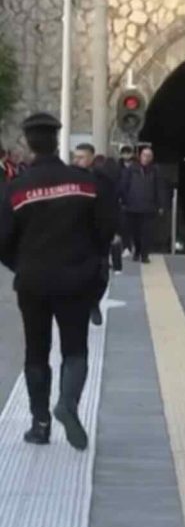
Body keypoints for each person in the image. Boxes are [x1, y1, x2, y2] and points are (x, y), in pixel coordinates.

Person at [0, 113, 118, 450]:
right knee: (75, 348)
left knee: (36, 351)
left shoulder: (16, 188)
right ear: (57, 140)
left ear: (29, 142)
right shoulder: (84, 183)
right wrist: (91, 261)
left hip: (34, 281)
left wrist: (22, 263)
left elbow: (2, 240)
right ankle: (68, 403)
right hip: (76, 280)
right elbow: (105, 227)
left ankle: (40, 425)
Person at [73, 143, 122, 326]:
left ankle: (94, 302)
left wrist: (115, 231)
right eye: (75, 157)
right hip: (74, 234)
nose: (77, 161)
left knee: (101, 274)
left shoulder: (102, 180)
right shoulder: (68, 178)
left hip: (98, 234)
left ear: (92, 158)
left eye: (81, 157)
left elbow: (112, 206)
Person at [120, 146, 163, 264]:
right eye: (144, 155)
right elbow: (124, 185)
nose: (146, 158)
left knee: (147, 232)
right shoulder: (132, 169)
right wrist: (124, 200)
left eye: (149, 156)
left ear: (152, 158)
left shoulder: (155, 170)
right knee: (135, 232)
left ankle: (145, 255)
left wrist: (160, 205)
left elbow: (159, 188)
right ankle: (137, 250)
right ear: (140, 156)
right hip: (133, 206)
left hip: (149, 207)